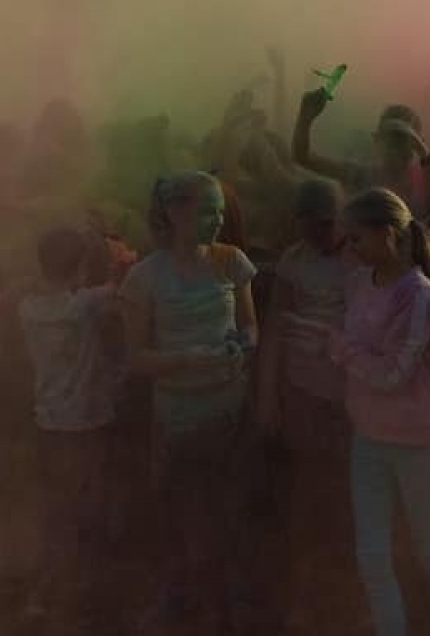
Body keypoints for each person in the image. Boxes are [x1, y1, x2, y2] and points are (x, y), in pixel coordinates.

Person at [120, 171, 260, 633]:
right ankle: (183, 600)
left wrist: (241, 346)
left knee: (229, 511)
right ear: (173, 214)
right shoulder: (145, 277)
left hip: (229, 412)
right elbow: (136, 359)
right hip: (177, 418)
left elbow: (252, 327)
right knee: (181, 516)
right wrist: (187, 359)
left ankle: (229, 606)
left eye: (219, 211)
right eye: (205, 211)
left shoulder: (231, 262)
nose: (216, 220)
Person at [331, 187, 430, 636]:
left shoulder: (418, 294)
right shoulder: (358, 282)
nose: (349, 250)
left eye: (356, 239)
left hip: (415, 440)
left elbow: (394, 374)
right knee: (372, 555)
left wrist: (338, 350)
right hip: (368, 436)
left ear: (388, 234)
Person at [256, 177, 353, 634]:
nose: (322, 232)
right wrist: (267, 397)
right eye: (312, 224)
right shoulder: (293, 262)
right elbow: (274, 328)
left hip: (357, 393)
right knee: (309, 486)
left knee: (352, 488)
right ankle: (305, 583)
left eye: (329, 222)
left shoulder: (365, 254)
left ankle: (346, 583)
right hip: (305, 390)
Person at [17, 225, 126, 626]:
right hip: (86, 425)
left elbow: (40, 289)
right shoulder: (85, 304)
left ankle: (42, 593)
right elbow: (118, 288)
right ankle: (81, 597)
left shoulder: (27, 309)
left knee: (56, 511)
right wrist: (117, 257)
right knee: (87, 508)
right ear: (81, 268)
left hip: (48, 423)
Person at [293, 91, 430, 219]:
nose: (396, 148)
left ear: (419, 141)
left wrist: (422, 152)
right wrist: (305, 119)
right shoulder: (363, 175)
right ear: (377, 139)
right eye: (391, 139)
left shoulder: (428, 177)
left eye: (403, 140)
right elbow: (303, 158)